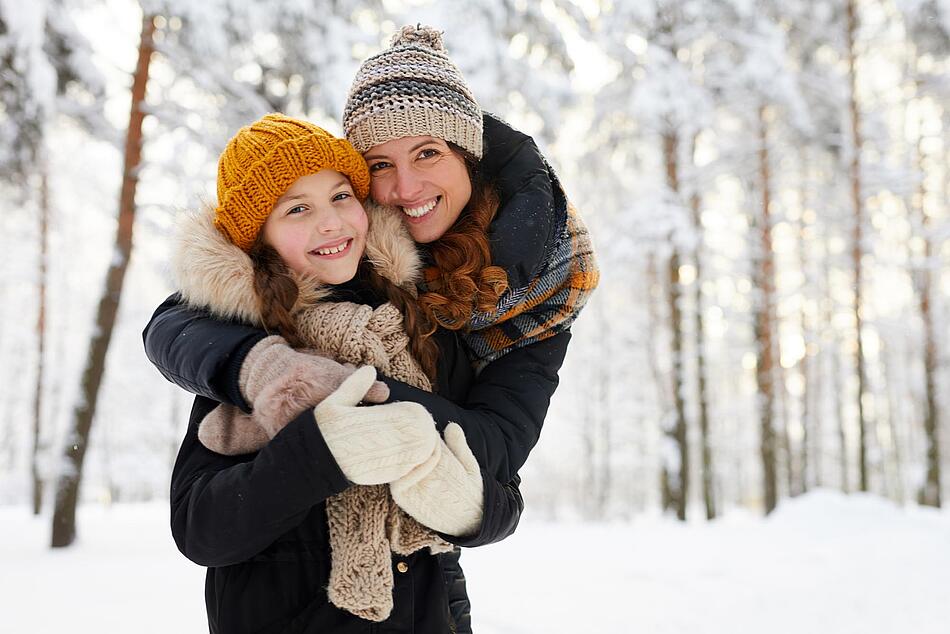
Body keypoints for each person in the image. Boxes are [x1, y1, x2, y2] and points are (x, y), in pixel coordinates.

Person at [144, 25, 599, 485]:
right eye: (381, 165)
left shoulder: (546, 290)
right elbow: (181, 320)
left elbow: (496, 452)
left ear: (468, 156)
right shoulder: (356, 243)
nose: (405, 188)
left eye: (427, 153)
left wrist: (344, 391)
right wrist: (260, 368)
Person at [168, 113, 523, 633]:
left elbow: (504, 497)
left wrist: (460, 502)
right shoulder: (258, 349)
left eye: (340, 196)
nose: (331, 222)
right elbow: (201, 530)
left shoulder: (418, 327)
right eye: (297, 209)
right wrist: (319, 453)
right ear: (260, 238)